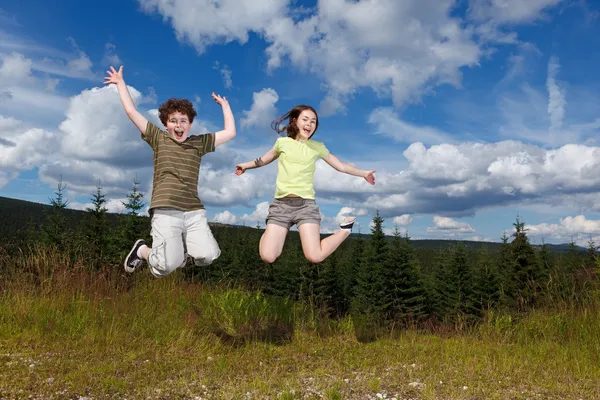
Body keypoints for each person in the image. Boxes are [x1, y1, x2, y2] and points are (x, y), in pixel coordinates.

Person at [103, 65, 236, 277]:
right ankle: (142, 250)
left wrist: (225, 106)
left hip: (193, 211)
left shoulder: (199, 143)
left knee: (208, 256)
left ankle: (179, 251)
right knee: (164, 267)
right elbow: (131, 111)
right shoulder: (158, 138)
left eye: (183, 120)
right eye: (173, 121)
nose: (178, 124)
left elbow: (230, 132)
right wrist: (120, 83)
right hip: (165, 209)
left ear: (190, 124)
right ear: (166, 124)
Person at [235, 105, 375, 264]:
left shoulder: (317, 147)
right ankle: (270, 234)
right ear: (295, 121)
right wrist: (246, 165)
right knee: (268, 256)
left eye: (313, 122)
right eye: (305, 119)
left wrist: (363, 173)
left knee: (314, 256)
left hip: (306, 206)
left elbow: (341, 166)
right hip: (281, 205)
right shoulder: (282, 143)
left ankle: (345, 230)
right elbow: (264, 159)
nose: (309, 124)